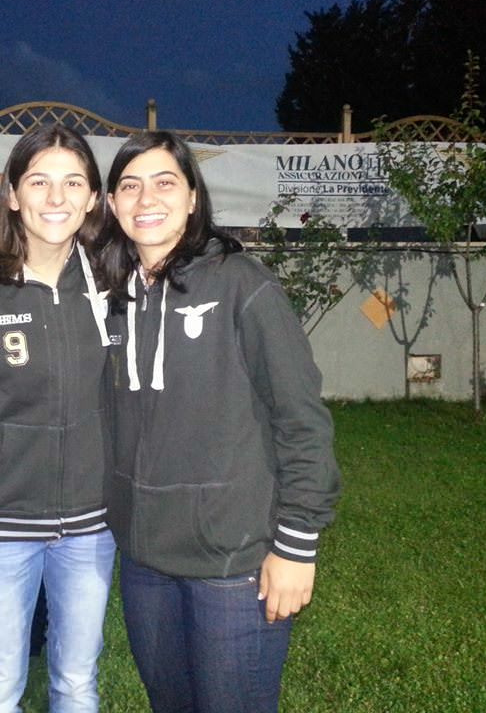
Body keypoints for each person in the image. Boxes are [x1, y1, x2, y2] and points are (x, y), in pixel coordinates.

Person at [94, 130, 341, 713]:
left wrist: (296, 547)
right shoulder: (109, 297)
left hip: (232, 561)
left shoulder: (242, 283)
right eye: (129, 186)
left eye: (164, 183)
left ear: (192, 198)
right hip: (145, 560)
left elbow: (301, 419)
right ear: (111, 203)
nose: (146, 199)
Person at [0, 124, 115, 713]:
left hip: (92, 523)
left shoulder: (116, 283)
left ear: (93, 198)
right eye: (39, 182)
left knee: (77, 684)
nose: (56, 197)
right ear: (13, 194)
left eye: (73, 183)